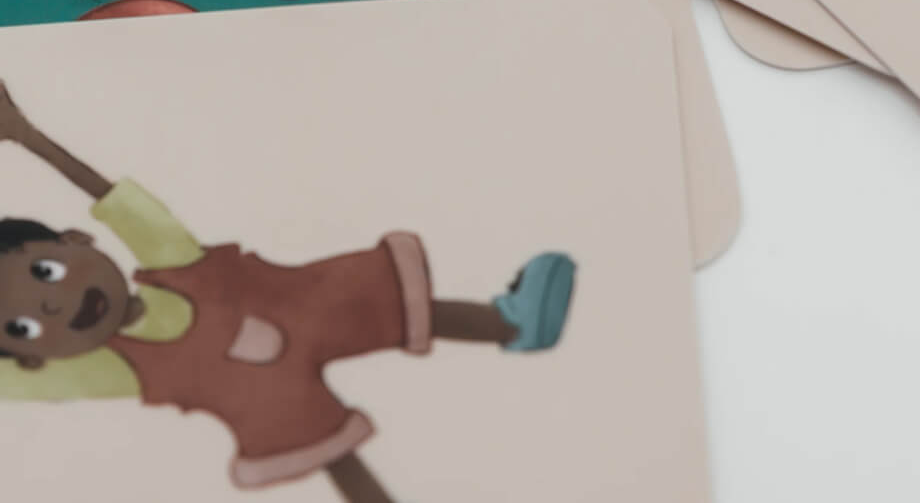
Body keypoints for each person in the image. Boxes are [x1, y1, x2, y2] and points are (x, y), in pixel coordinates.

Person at [0, 81, 575, 503]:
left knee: (384, 299)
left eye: (45, 272)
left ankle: (511, 324)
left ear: (78, 240)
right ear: (30, 358)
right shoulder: (114, 369)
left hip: (306, 307)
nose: (51, 305)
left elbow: (117, 203)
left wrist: (30, 138)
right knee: (335, 457)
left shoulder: (170, 261)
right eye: (22, 326)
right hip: (269, 402)